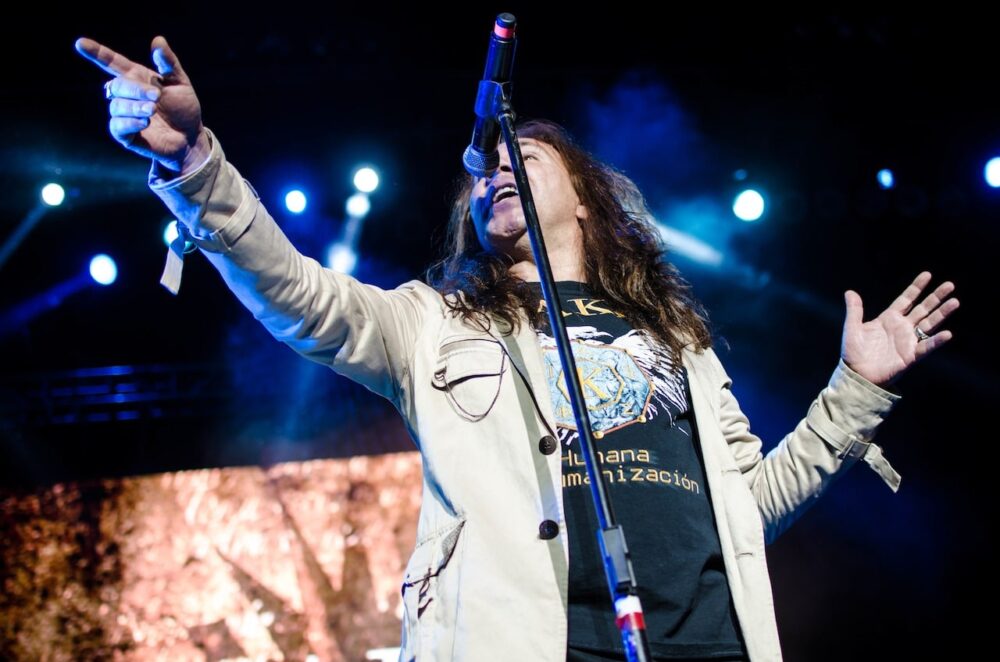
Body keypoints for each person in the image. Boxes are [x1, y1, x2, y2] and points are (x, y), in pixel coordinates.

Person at [75, 35, 959, 662]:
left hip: (706, 640)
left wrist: (854, 388)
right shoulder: (433, 323)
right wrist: (195, 166)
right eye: (488, 165)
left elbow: (745, 508)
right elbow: (299, 295)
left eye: (524, 158)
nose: (497, 167)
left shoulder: (677, 336)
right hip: (534, 641)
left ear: (587, 200)